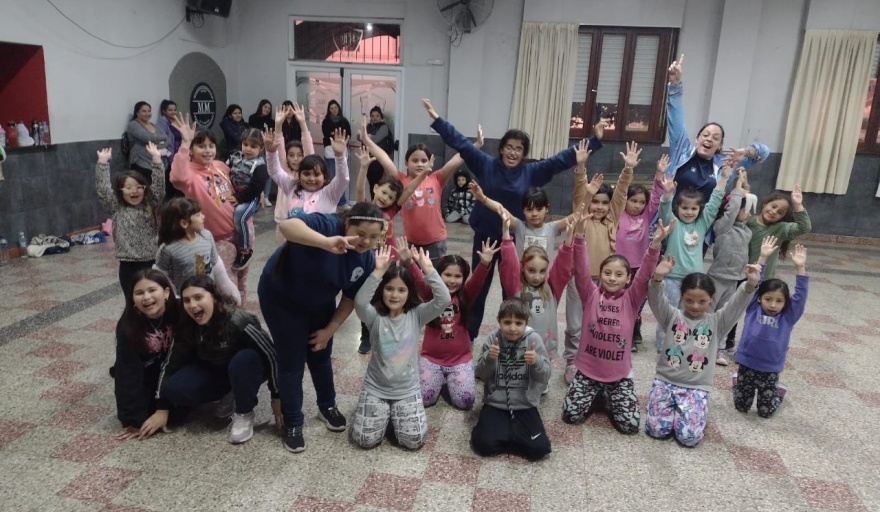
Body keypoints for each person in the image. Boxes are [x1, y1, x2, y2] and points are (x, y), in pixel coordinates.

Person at [422, 98, 603, 340]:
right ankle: (469, 336)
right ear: (501, 149)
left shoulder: (531, 172)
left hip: (514, 241)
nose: (513, 152)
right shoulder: (486, 164)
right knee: (478, 288)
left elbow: (559, 160)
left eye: (518, 148)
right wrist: (437, 120)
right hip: (485, 238)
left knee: (513, 290)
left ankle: (514, 336)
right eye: (509, 147)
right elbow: (461, 143)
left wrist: (594, 140)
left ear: (524, 153)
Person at [258, 202, 384, 453]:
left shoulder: (367, 258)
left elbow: (349, 298)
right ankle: (293, 422)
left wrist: (330, 330)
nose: (365, 241)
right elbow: (288, 227)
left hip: (320, 300)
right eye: (360, 233)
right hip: (282, 298)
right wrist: (325, 243)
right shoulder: (327, 225)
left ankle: (327, 405)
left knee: (321, 353)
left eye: (373, 237)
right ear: (347, 223)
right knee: (292, 362)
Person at [562, 213, 673, 433]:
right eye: (607, 273)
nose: (612, 278)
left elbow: (644, 275)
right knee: (570, 415)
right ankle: (597, 394)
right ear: (601, 275)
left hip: (619, 375)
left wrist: (655, 245)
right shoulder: (590, 294)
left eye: (619, 274)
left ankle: (607, 394)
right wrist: (580, 235)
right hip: (587, 371)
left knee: (630, 426)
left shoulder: (632, 299)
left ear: (628, 278)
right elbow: (582, 270)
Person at [144, 275, 280, 444]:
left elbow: (271, 354)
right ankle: (230, 392)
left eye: (198, 297)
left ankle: (244, 413)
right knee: (174, 389)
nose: (193, 305)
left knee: (244, 359)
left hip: (247, 367)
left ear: (214, 298)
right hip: (215, 368)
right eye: (187, 300)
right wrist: (162, 408)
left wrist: (277, 396)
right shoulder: (187, 324)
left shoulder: (238, 320)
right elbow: (171, 363)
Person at [646, 257, 760, 447]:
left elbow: (736, 305)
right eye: (689, 300)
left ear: (711, 299)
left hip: (696, 387)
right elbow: (656, 299)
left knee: (688, 438)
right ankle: (673, 412)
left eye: (702, 301)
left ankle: (694, 412)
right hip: (665, 382)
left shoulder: (717, 322)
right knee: (656, 430)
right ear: (682, 296)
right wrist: (657, 278)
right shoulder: (671, 316)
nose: (695, 306)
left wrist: (750, 284)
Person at [351, 245, 451, 450]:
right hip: (376, 388)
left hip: (407, 390)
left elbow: (444, 300)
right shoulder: (374, 316)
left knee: (414, 441)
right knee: (364, 440)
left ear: (409, 293)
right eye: (389, 288)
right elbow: (360, 303)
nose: (394, 295)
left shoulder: (417, 314)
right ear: (382, 290)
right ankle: (387, 415)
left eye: (401, 290)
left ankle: (392, 416)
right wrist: (378, 272)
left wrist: (428, 270)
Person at [398, 237, 497, 409]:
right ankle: (440, 379)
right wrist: (409, 262)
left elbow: (477, 281)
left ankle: (450, 380)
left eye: (458, 276)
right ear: (438, 275)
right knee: (424, 399)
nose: (452, 280)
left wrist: (484, 264)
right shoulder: (430, 295)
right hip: (431, 359)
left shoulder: (466, 295)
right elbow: (419, 280)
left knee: (465, 401)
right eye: (447, 275)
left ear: (463, 278)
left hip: (460, 359)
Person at [362, 113, 473, 261]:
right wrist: (366, 140)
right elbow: (384, 158)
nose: (420, 164)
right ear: (406, 164)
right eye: (415, 161)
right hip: (410, 243)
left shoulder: (437, 179)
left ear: (430, 162)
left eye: (424, 161)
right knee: (411, 275)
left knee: (433, 274)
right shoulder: (401, 180)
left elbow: (455, 161)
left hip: (436, 242)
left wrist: (474, 147)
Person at [352, 145, 429, 354]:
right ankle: (366, 336)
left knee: (387, 296)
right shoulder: (364, 209)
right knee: (368, 298)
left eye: (391, 197)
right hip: (368, 262)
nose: (385, 198)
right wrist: (363, 168)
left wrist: (422, 175)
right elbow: (359, 190)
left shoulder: (392, 210)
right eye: (384, 192)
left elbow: (409, 190)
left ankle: (386, 331)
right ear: (376, 188)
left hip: (390, 263)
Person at [170, 113, 254, 302]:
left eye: (211, 146)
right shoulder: (189, 173)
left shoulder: (220, 166)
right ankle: (217, 313)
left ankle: (239, 314)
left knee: (241, 278)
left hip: (242, 232)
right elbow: (177, 178)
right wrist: (185, 143)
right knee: (211, 280)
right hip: (210, 239)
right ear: (192, 151)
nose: (207, 150)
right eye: (201, 146)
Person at [653, 164, 732, 353]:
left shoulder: (702, 223)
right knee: (668, 314)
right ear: (678, 208)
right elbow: (664, 209)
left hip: (694, 282)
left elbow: (713, 204)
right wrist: (667, 194)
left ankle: (682, 344)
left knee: (688, 315)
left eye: (694, 208)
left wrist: (723, 178)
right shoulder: (673, 223)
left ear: (699, 210)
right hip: (671, 278)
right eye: (685, 208)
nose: (689, 212)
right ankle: (663, 348)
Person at [734, 241, 809, 418]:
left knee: (765, 412)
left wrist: (801, 268)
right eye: (768, 299)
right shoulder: (753, 307)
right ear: (760, 298)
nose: (773, 305)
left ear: (785, 303)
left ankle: (778, 393)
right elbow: (754, 281)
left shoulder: (788, 316)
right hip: (747, 363)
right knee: (741, 406)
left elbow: (800, 296)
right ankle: (737, 382)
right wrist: (763, 257)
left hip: (770, 368)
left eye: (779, 301)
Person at [471, 298, 552, 461]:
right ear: (499, 321)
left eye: (518, 323)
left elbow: (545, 376)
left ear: (526, 322)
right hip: (495, 403)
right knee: (482, 444)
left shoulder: (533, 340)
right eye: (507, 322)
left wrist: (536, 362)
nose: (513, 328)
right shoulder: (493, 338)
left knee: (540, 449)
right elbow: (481, 374)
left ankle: (508, 436)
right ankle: (511, 436)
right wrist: (489, 359)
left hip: (525, 404)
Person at [498, 210, 573, 365]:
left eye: (542, 271)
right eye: (531, 270)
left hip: (544, 348)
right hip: (518, 348)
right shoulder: (516, 286)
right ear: (522, 268)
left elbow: (562, 267)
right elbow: (509, 265)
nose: (537, 276)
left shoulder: (552, 287)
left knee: (540, 374)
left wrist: (568, 241)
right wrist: (506, 236)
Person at [94, 144, 164, 301]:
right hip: (127, 264)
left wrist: (156, 159)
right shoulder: (117, 207)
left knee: (152, 299)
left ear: (145, 189)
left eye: (139, 187)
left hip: (150, 261)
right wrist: (102, 163)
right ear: (120, 191)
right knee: (132, 301)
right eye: (128, 187)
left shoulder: (150, 205)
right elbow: (103, 190)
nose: (134, 191)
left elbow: (159, 187)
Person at [114, 270, 178, 440]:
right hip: (146, 377)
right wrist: (132, 420)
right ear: (132, 299)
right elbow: (127, 374)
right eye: (139, 293)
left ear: (166, 292)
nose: (146, 297)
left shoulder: (178, 312)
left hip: (174, 372)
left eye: (152, 290)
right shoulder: (128, 327)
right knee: (145, 419)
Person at [616, 154, 667, 346]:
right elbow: (620, 193)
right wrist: (628, 169)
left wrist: (659, 174)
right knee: (620, 299)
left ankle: (634, 328)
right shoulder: (618, 214)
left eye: (641, 202)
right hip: (620, 266)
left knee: (638, 299)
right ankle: (621, 330)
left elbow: (655, 197)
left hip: (640, 266)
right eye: (633, 200)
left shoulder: (646, 215)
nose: (637, 205)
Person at [154, 197, 241, 304]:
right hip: (187, 302)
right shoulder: (168, 249)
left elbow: (216, 266)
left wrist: (230, 291)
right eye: (198, 215)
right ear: (184, 223)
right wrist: (174, 299)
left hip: (209, 297)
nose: (203, 217)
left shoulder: (206, 236)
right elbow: (162, 276)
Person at [706, 169, 751, 365]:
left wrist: (744, 184)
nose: (748, 213)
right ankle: (702, 341)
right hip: (716, 278)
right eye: (744, 209)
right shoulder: (722, 227)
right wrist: (738, 188)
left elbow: (746, 200)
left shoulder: (747, 231)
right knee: (708, 313)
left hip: (734, 280)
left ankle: (720, 348)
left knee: (726, 315)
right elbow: (733, 209)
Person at [265, 104, 314, 244]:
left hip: (304, 219)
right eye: (291, 155)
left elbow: (309, 149)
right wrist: (278, 125)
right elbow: (279, 149)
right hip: (283, 219)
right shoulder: (284, 173)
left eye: (300, 155)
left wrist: (303, 123)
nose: (296, 159)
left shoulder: (307, 174)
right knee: (283, 252)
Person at [225, 128, 268, 270]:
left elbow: (257, 187)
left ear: (261, 148)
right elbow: (223, 170)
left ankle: (245, 251)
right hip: (233, 193)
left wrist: (240, 198)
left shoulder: (260, 165)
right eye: (246, 144)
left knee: (239, 216)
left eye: (253, 146)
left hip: (250, 198)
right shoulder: (235, 157)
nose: (248, 149)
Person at [126, 101, 169, 185]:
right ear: (137, 113)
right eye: (144, 111)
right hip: (141, 162)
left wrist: (156, 145)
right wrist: (160, 141)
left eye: (149, 111)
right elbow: (147, 138)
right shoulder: (133, 125)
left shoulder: (153, 125)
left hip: (156, 162)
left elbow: (168, 139)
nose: (147, 113)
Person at [321, 100, 352, 206]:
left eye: (335, 107)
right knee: (332, 177)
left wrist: (334, 133)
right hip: (330, 152)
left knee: (342, 178)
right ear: (329, 110)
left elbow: (348, 134)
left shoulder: (344, 121)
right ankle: (331, 201)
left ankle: (342, 202)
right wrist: (335, 134)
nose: (334, 110)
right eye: (331, 108)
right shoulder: (326, 121)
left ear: (339, 108)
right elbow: (327, 134)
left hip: (342, 151)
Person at [360, 106, 395, 193]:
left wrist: (367, 137)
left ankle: (377, 200)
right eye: (372, 116)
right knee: (371, 181)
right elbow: (360, 137)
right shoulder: (369, 126)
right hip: (368, 158)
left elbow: (375, 140)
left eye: (377, 116)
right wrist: (368, 137)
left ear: (381, 117)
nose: (375, 118)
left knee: (377, 182)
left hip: (378, 159)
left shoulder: (384, 127)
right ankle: (373, 200)